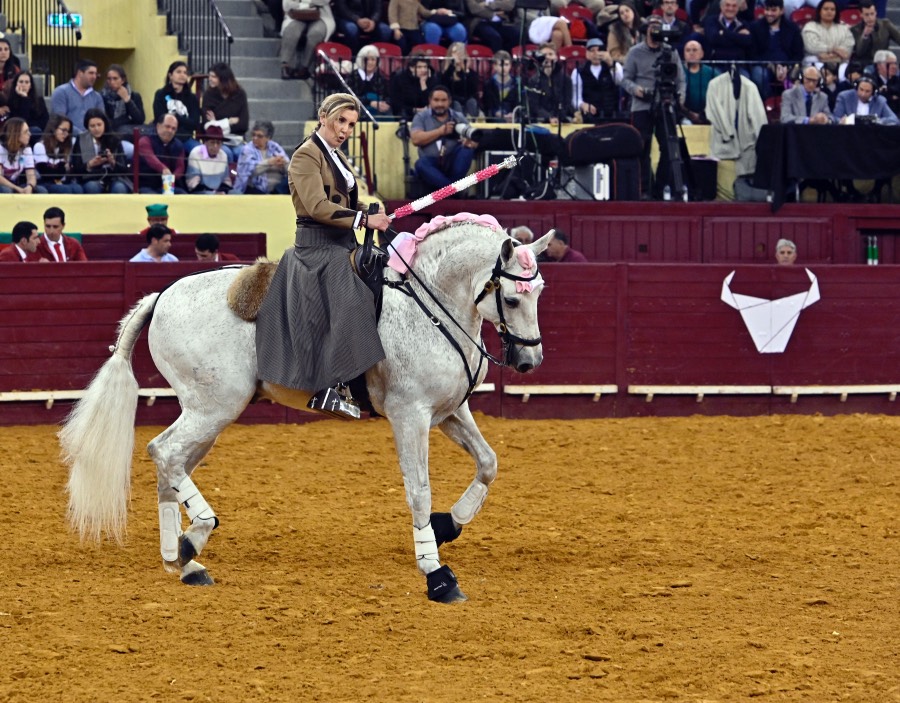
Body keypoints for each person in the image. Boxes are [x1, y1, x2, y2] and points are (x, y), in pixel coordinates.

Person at [255, 93, 392, 420]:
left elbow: (343, 201)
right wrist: (364, 220)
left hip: (341, 242)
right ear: (323, 117)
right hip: (316, 247)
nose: (345, 130)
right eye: (340, 121)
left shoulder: (335, 155)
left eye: (351, 124)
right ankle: (329, 386)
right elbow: (317, 207)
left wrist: (371, 211)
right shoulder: (306, 155)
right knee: (352, 297)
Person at [622, 16, 687, 198]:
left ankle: (660, 187)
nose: (656, 30)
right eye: (653, 26)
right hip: (642, 105)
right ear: (647, 30)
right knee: (642, 147)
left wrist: (679, 97)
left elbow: (681, 79)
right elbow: (625, 79)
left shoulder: (671, 51)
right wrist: (637, 90)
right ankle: (644, 189)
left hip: (666, 103)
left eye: (659, 26)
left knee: (669, 147)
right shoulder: (635, 52)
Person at [410, 85, 476, 192]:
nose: (440, 104)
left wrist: (469, 142)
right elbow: (416, 139)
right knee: (421, 164)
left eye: (443, 100)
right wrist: (440, 131)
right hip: (431, 163)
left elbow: (473, 137)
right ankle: (453, 191)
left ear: (449, 101)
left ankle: (447, 191)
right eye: (436, 100)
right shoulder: (421, 117)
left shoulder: (458, 116)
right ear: (430, 101)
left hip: (453, 162)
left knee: (466, 151)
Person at [749, 0, 805, 100]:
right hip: (765, 66)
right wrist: (771, 66)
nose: (769, 13)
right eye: (767, 9)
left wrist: (788, 67)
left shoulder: (792, 28)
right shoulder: (755, 27)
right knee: (758, 74)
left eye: (773, 10)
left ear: (782, 11)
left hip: (787, 66)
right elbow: (752, 55)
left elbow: (798, 54)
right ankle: (768, 102)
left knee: (799, 73)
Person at [72, 107, 132, 194]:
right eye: (92, 126)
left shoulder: (115, 139)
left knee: (119, 188)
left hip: (113, 178)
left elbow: (124, 169)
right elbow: (76, 168)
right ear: (87, 127)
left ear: (105, 124)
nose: (96, 129)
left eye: (99, 125)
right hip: (90, 178)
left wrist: (112, 162)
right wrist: (90, 164)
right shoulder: (81, 139)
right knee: (92, 187)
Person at [201, 62, 250, 162]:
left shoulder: (240, 94)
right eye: (210, 76)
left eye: (214, 77)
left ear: (223, 79)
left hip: (236, 140)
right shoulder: (208, 95)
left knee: (243, 153)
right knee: (226, 154)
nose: (210, 79)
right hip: (217, 141)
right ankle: (228, 173)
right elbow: (209, 127)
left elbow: (243, 125)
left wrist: (216, 123)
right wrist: (229, 122)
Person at [280, 0, 336, 81]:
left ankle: (305, 68)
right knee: (291, 31)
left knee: (315, 33)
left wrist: (302, 2)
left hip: (321, 16)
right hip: (296, 15)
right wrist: (307, 5)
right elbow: (286, 4)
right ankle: (286, 66)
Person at [152, 61, 201, 152]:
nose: (182, 75)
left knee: (202, 152)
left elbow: (195, 123)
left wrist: (176, 117)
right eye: (178, 72)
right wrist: (184, 121)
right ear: (170, 75)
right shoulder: (161, 94)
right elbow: (159, 118)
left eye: (185, 73)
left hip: (185, 138)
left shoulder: (192, 98)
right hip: (164, 137)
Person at [231, 120, 290, 194]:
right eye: (253, 135)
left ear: (268, 138)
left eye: (259, 136)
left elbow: (289, 169)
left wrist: (283, 164)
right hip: (255, 188)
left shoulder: (275, 147)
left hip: (277, 188)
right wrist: (269, 162)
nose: (255, 138)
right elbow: (250, 171)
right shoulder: (247, 150)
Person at [101, 64, 145, 160]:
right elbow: (107, 121)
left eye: (115, 78)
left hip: (129, 136)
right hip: (110, 136)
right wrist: (126, 119)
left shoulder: (134, 96)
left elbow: (140, 120)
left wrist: (127, 100)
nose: (112, 82)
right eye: (109, 79)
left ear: (123, 80)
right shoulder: (103, 96)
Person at [572, 37, 622, 122]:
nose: (596, 53)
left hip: (611, 115)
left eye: (599, 50)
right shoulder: (578, 71)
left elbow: (620, 81)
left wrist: (610, 62)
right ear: (587, 53)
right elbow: (576, 97)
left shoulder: (615, 66)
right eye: (592, 50)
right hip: (589, 116)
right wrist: (583, 105)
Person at [50, 59, 104, 136]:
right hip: (68, 137)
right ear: (80, 73)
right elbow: (59, 119)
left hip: (92, 138)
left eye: (96, 74)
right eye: (91, 73)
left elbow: (101, 120)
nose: (94, 77)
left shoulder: (97, 97)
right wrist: (81, 135)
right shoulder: (61, 92)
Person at [33, 114, 83, 194]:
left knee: (78, 189)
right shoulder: (40, 146)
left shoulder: (67, 146)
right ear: (53, 129)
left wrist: (61, 169)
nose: (66, 134)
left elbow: (68, 170)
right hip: (45, 182)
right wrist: (63, 168)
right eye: (63, 130)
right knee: (66, 190)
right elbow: (45, 173)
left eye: (68, 131)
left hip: (61, 182)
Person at [137, 113, 186, 194]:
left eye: (173, 128)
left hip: (168, 185)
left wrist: (172, 177)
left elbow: (180, 167)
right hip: (146, 184)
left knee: (183, 195)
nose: (170, 131)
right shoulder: (145, 140)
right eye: (167, 127)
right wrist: (164, 169)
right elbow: (151, 159)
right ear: (158, 126)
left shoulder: (178, 145)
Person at [526, 44, 574, 124]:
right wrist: (548, 117)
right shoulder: (533, 80)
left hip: (561, 120)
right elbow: (534, 105)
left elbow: (567, 102)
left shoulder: (566, 79)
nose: (547, 57)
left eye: (550, 54)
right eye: (544, 55)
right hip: (541, 121)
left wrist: (558, 116)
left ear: (556, 57)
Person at [701, 0, 754, 68]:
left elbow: (747, 41)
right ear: (721, 7)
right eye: (727, 5)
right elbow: (713, 38)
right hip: (716, 65)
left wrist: (723, 33)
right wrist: (737, 37)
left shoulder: (743, 24)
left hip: (738, 66)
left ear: (738, 8)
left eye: (734, 6)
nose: (730, 9)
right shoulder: (711, 21)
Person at [0, 118, 47, 194]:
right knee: (6, 190)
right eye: (26, 132)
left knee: (41, 190)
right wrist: (17, 188)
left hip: (15, 184)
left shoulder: (26, 149)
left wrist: (30, 186)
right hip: (3, 185)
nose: (29, 134)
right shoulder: (1, 148)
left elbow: (31, 175)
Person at [801, 0, 853, 67]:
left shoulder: (844, 28)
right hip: (816, 61)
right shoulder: (810, 27)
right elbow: (812, 47)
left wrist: (831, 56)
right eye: (826, 9)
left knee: (846, 66)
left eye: (832, 9)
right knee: (814, 62)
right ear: (819, 11)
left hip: (839, 60)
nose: (829, 11)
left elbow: (848, 47)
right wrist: (834, 49)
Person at [850, 0, 900, 67]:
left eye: (872, 14)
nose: (870, 18)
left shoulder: (885, 24)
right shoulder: (855, 30)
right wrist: (865, 36)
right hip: (864, 65)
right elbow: (859, 52)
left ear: (876, 12)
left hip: (884, 63)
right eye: (867, 14)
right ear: (861, 14)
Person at [346, 45, 393, 118]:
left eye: (373, 59)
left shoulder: (380, 77)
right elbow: (348, 98)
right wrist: (370, 103)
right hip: (358, 110)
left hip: (379, 110)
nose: (370, 62)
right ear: (361, 60)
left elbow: (387, 96)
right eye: (367, 59)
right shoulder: (353, 76)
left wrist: (385, 103)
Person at [185, 124, 233, 194]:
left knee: (237, 193)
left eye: (218, 143)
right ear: (205, 142)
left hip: (219, 192)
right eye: (212, 142)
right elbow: (192, 184)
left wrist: (222, 191)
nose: (215, 146)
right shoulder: (196, 154)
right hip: (200, 192)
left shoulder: (223, 155)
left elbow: (226, 181)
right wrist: (214, 193)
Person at [833, 74, 900, 124]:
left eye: (867, 91)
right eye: (861, 89)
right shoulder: (844, 97)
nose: (863, 94)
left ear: (873, 92)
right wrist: (843, 121)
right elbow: (835, 118)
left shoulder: (880, 101)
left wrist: (877, 121)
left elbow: (894, 119)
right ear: (856, 87)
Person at [390, 54, 436, 120]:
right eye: (419, 67)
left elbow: (429, 102)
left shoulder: (431, 79)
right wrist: (414, 110)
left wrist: (423, 84)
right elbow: (396, 103)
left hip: (426, 114)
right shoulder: (400, 78)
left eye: (425, 67)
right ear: (411, 68)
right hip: (407, 114)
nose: (423, 70)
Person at [681, 40, 717, 124]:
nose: (691, 53)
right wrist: (690, 114)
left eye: (694, 50)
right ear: (684, 54)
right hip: (683, 116)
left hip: (709, 115)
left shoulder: (712, 72)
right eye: (688, 50)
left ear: (702, 54)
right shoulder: (678, 71)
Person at [441, 42, 480, 117]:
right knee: (456, 104)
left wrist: (465, 70)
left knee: (472, 102)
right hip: (452, 102)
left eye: (460, 53)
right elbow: (444, 86)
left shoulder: (470, 73)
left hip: (467, 101)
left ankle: (473, 122)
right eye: (455, 53)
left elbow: (473, 90)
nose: (458, 56)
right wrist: (452, 66)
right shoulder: (445, 72)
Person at [482, 51, 520, 121]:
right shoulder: (489, 84)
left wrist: (513, 114)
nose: (504, 68)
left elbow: (519, 104)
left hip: (513, 118)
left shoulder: (517, 84)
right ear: (494, 66)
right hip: (494, 119)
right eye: (501, 65)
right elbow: (488, 106)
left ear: (510, 65)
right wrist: (497, 114)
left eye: (506, 64)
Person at [872, 50, 900, 117]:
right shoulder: (872, 80)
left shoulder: (897, 80)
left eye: (895, 63)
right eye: (890, 64)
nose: (894, 67)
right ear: (879, 65)